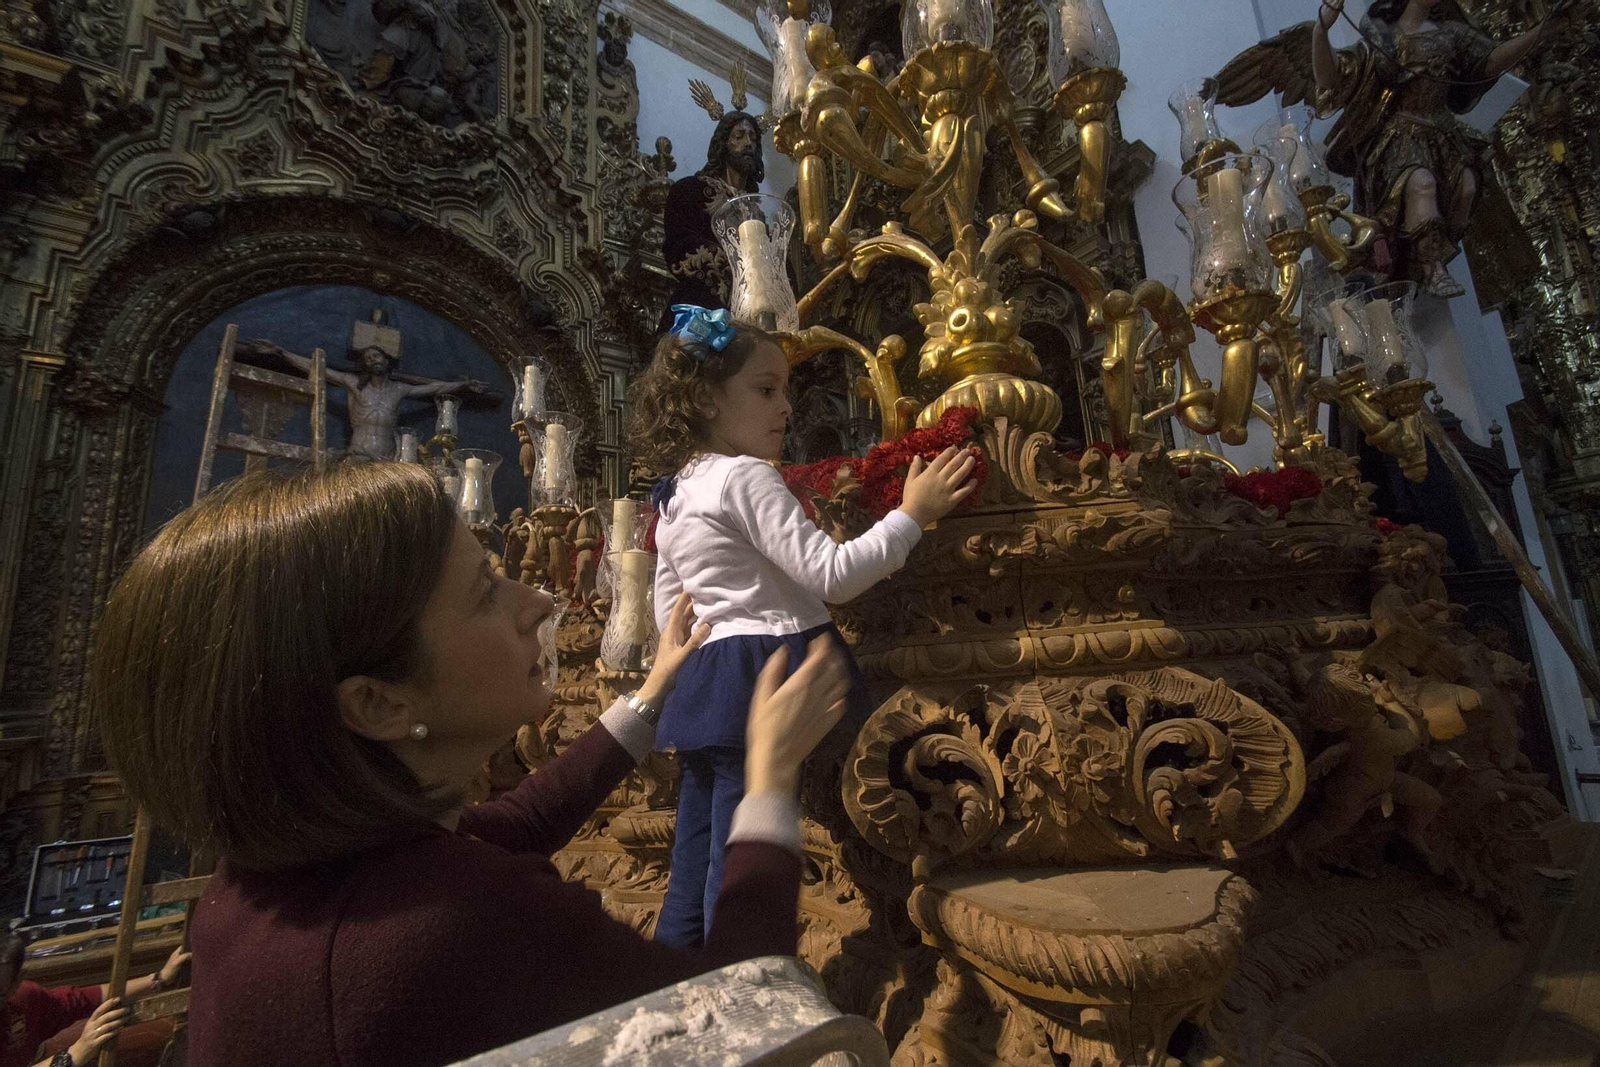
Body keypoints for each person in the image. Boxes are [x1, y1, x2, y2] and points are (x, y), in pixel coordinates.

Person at [92, 461, 853, 1066]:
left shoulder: (271, 882)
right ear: (378, 704)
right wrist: (768, 780)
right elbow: (738, 1012)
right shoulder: (440, 930)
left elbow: (507, 825)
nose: (540, 602)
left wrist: (650, 693)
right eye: (485, 591)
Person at [631, 305, 978, 948]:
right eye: (766, 390)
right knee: (743, 856)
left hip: (708, 678)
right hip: (767, 675)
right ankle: (735, 982)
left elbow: (668, 611)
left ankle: (671, 978)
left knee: (694, 856)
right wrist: (912, 515)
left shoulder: (676, 491)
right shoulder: (745, 476)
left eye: (784, 391)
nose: (785, 407)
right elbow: (834, 575)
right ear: (706, 399)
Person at [1, 935, 188, 1067]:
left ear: (17, 982)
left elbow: (84, 999)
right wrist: (77, 1052)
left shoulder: (25, 998)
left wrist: (158, 979)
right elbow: (78, 1052)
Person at [657, 111, 765, 333]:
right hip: (702, 312)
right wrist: (739, 267)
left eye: (753, 138)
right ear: (723, 143)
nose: (748, 144)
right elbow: (680, 245)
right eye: (739, 136)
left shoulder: (758, 216)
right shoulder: (691, 191)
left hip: (752, 321)